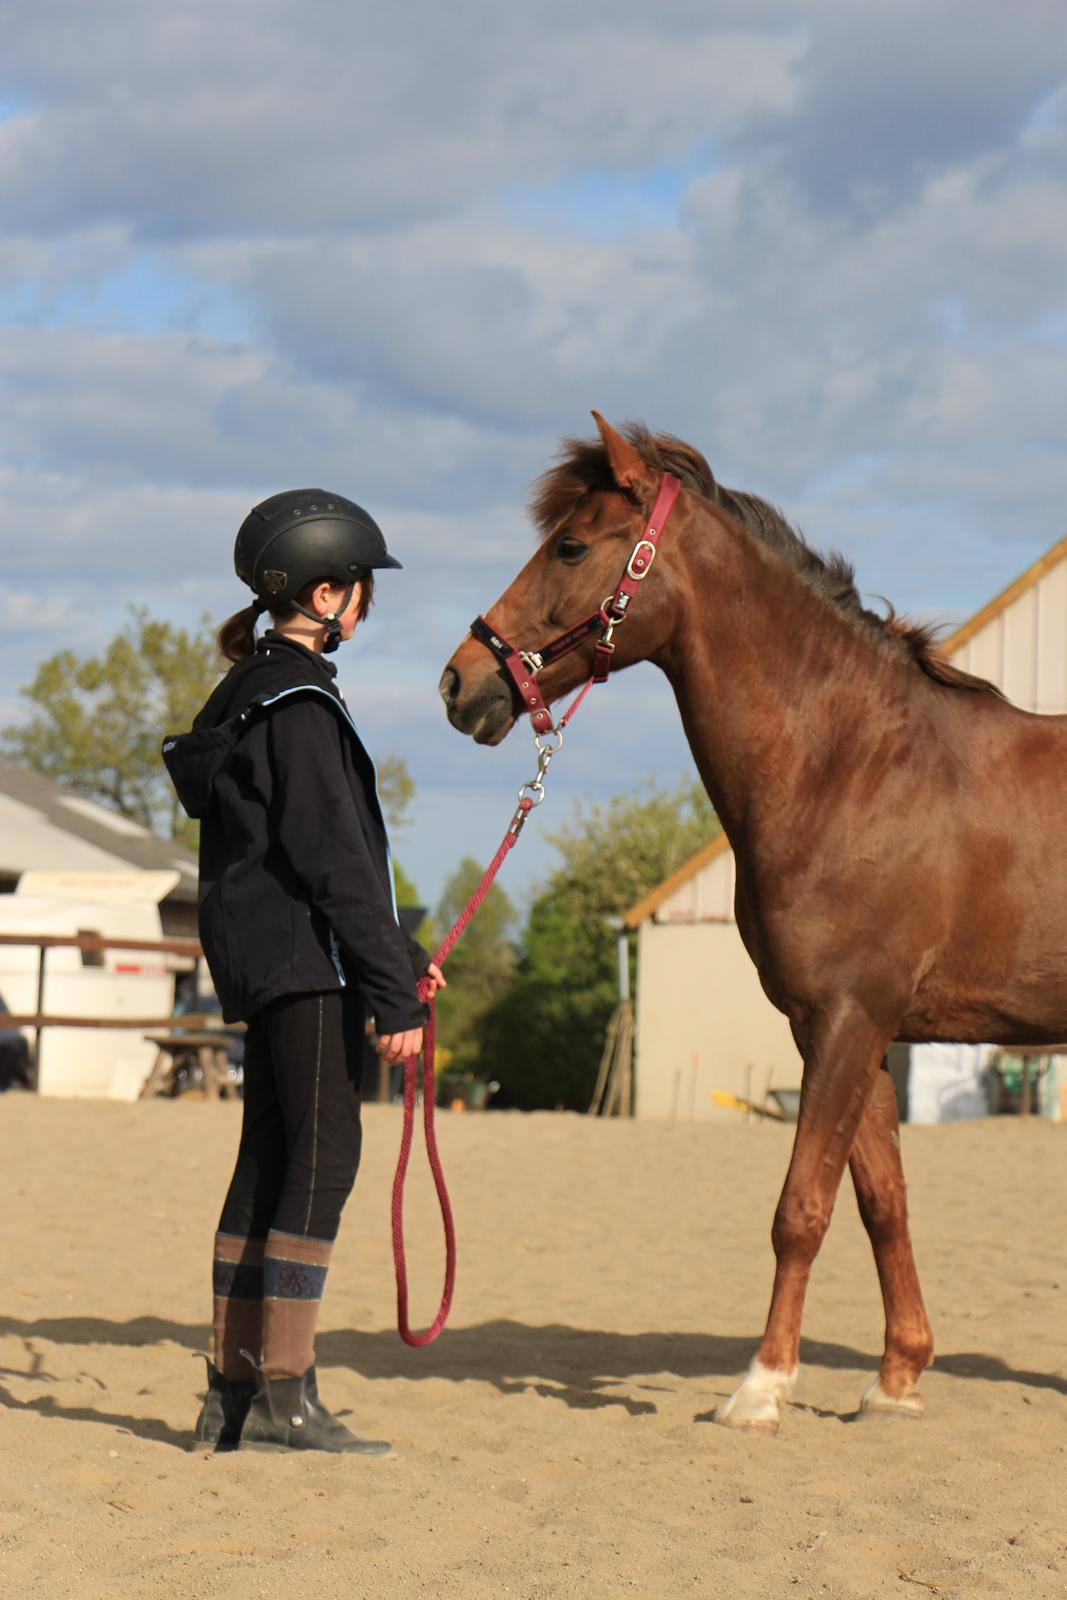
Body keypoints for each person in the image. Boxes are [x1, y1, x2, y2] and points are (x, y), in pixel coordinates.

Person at [162, 489, 444, 1455]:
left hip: (265, 961)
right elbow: (335, 860)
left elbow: (301, 860)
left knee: (269, 1164)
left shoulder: (246, 694)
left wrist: (400, 959)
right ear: (329, 593)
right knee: (323, 1164)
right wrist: (390, 991)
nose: (367, 605)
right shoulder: (304, 704)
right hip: (309, 967)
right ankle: (286, 1392)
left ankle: (227, 1397)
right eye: (362, 589)